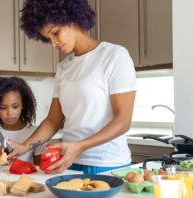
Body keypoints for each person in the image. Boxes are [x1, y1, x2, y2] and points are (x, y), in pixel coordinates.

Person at [7, 0, 137, 174]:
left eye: (55, 33)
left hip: (108, 164)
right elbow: (53, 121)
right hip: (69, 163)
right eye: (48, 38)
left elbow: (123, 121)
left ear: (71, 19)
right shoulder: (64, 68)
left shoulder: (114, 56)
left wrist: (80, 146)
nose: (53, 42)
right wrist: (25, 147)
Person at [0, 77, 41, 163]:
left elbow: (40, 170)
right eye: (3, 108)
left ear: (23, 105)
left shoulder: (36, 133)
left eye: (15, 107)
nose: (10, 113)